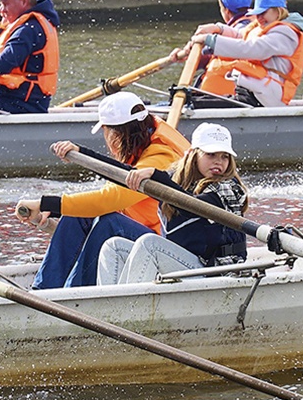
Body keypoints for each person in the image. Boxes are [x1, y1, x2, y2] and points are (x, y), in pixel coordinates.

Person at [15, 91, 189, 289]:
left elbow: (113, 198)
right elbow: (114, 185)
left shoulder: (162, 156)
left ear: (117, 134)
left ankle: (73, 294)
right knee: (77, 214)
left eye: (106, 132)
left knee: (108, 222)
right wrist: (56, 209)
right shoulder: (145, 141)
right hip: (144, 229)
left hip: (166, 244)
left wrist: (46, 203)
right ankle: (43, 290)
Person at [96, 123, 248, 285]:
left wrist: (155, 174)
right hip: (186, 264)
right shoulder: (176, 179)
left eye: (224, 156)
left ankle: (129, 307)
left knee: (150, 244)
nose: (218, 162)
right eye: (211, 154)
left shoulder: (228, 187)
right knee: (113, 247)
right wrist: (80, 152)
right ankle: (110, 306)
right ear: (193, 154)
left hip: (217, 271)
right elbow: (124, 172)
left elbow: (192, 207)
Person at [172, 0, 303, 108]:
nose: (259, 18)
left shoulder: (286, 34)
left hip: (266, 98)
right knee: (194, 101)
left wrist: (211, 40)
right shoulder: (264, 27)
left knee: (195, 103)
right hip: (252, 92)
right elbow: (240, 35)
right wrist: (217, 28)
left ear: (278, 11)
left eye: (263, 13)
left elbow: (253, 49)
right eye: (258, 14)